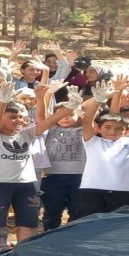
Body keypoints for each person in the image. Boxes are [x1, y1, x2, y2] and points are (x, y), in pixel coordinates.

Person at [0, 83, 73, 254]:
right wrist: (2, 100)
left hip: (26, 184)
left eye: (22, 117)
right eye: (13, 116)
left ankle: (23, 255)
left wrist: (71, 106)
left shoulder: (27, 133)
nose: (18, 120)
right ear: (2, 117)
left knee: (29, 222)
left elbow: (49, 121)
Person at [77, 76, 129, 217]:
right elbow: (87, 121)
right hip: (92, 190)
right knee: (89, 225)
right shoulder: (92, 141)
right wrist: (99, 99)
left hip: (121, 191)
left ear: (127, 131)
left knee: (113, 227)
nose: (113, 131)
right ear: (99, 129)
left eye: (119, 129)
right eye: (107, 127)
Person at [39, 86, 86, 228]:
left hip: (79, 176)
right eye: (60, 115)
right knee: (52, 212)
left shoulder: (84, 129)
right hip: (52, 177)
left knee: (77, 211)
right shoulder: (50, 129)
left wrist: (77, 105)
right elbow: (41, 116)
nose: (65, 118)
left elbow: (91, 119)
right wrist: (46, 95)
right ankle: (49, 237)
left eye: (71, 114)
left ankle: (71, 239)